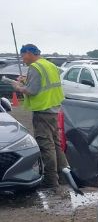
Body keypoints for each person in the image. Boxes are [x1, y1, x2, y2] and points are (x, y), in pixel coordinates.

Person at [13, 44, 68, 189]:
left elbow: (32, 90)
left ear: (29, 53)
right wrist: (27, 80)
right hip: (53, 108)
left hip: (43, 110)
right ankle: (64, 176)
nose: (22, 59)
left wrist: (18, 87)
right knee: (56, 144)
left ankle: (51, 180)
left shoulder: (35, 67)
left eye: (22, 55)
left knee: (46, 145)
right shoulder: (49, 65)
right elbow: (44, 84)